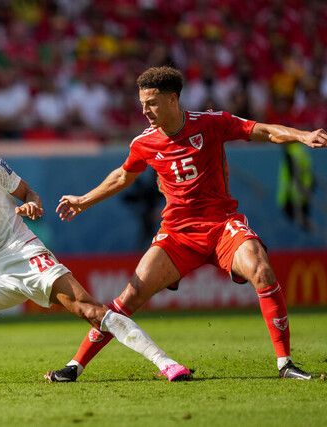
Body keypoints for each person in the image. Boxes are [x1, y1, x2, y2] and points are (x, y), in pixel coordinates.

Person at [45, 66, 327, 383]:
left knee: (261, 269)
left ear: (172, 99)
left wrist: (301, 135)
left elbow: (261, 130)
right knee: (129, 297)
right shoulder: (144, 143)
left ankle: (285, 364)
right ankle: (75, 366)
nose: (144, 110)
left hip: (222, 226)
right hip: (177, 235)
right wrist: (83, 200)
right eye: (142, 103)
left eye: (151, 102)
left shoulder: (210, 123)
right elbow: (123, 176)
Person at [0, 117, 192, 385]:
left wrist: (32, 205)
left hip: (24, 255)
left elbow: (30, 195)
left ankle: (165, 362)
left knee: (90, 311)